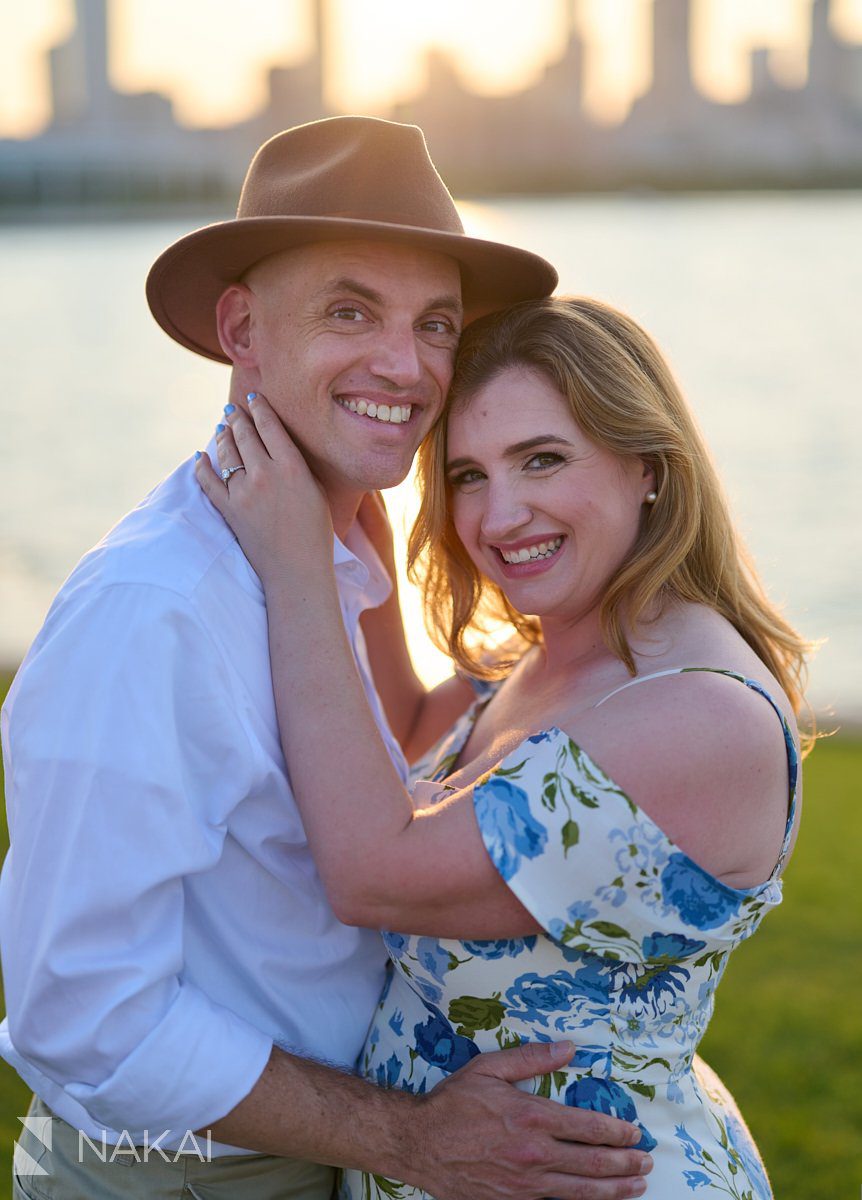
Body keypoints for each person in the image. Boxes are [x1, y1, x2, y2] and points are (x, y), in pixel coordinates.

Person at [0, 119, 653, 1200]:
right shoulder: (151, 609)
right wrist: (407, 1138)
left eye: (435, 324)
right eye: (350, 311)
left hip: (321, 1157)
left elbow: (368, 769)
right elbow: (84, 1016)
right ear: (242, 330)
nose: (406, 367)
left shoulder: (340, 550)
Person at [195, 295, 809, 1199]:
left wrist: (295, 568)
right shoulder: (561, 651)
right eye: (469, 474)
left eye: (543, 459)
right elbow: (408, 741)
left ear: (648, 463)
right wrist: (337, 493)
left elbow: (373, 867)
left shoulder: (698, 718)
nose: (500, 515)